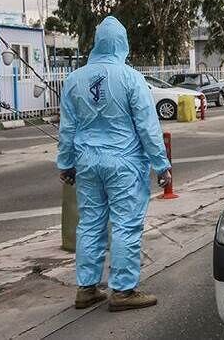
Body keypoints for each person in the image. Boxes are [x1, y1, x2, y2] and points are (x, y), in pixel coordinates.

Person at [57, 16, 172, 312]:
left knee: (90, 224)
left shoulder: (74, 79)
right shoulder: (131, 78)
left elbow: (67, 128)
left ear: (97, 43)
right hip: (124, 164)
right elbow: (148, 127)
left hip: (87, 163)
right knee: (125, 224)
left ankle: (86, 288)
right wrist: (162, 165)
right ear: (123, 44)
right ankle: (122, 290)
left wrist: (66, 163)